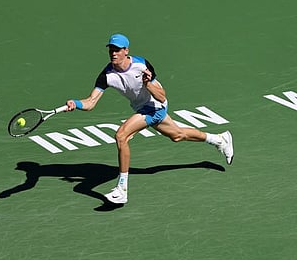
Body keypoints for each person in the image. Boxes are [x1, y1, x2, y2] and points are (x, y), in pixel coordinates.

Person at [65, 33, 234, 204]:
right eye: (111, 50)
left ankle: (122, 188)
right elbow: (91, 102)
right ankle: (219, 140)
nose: (113, 53)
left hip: (155, 106)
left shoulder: (141, 65)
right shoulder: (107, 75)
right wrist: (76, 103)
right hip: (141, 107)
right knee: (177, 136)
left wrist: (147, 84)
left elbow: (162, 97)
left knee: (121, 135)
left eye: (117, 50)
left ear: (126, 51)